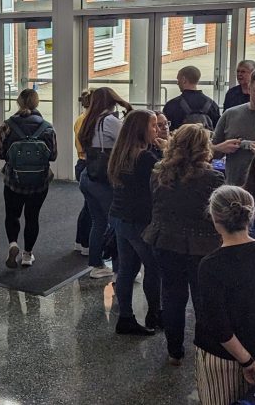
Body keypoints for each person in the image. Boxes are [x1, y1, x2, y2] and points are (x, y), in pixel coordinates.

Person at [144, 124, 225, 365]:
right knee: (202, 300)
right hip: (203, 245)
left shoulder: (158, 171)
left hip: (164, 240)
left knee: (171, 296)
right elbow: (216, 213)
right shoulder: (213, 177)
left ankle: (174, 351)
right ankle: (205, 349)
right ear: (204, 148)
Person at [195, 185, 255, 404]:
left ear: (214, 220)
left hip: (222, 359)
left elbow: (218, 325)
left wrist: (247, 362)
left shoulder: (210, 265)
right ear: (250, 216)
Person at [106, 110, 162, 335]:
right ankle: (154, 313)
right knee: (153, 267)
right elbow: (160, 183)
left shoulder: (121, 153)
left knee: (127, 269)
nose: (157, 130)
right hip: (139, 221)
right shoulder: (145, 157)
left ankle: (126, 317)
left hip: (120, 216)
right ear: (141, 129)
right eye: (154, 126)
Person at [0, 89, 57, 268]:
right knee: (32, 216)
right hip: (39, 183)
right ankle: (27, 255)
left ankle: (13, 244)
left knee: (12, 215)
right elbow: (53, 156)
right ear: (37, 103)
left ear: (19, 102)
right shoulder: (47, 127)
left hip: (13, 180)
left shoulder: (8, 125)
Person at [76, 87, 132, 277]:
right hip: (105, 180)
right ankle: (119, 268)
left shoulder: (88, 120)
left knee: (98, 222)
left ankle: (96, 265)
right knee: (116, 223)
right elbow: (127, 141)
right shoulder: (109, 120)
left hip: (89, 175)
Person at [212, 69, 255, 186]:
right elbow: (209, 153)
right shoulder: (230, 115)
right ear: (249, 88)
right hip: (234, 189)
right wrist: (220, 148)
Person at [161, 66, 220, 131]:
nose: (177, 83)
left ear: (184, 80)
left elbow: (165, 129)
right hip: (206, 141)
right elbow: (217, 130)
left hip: (180, 141)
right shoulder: (212, 105)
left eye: (178, 80)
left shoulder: (171, 105)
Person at [72, 88, 94, 256]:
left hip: (81, 163)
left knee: (88, 205)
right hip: (88, 164)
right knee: (91, 208)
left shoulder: (80, 119)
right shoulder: (90, 121)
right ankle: (86, 243)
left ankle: (80, 241)